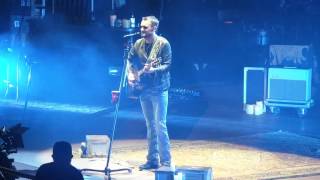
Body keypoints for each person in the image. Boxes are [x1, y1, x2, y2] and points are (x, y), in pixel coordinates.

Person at [126, 16, 173, 170]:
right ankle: (152, 160)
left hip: (159, 89)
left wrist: (153, 69)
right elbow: (129, 59)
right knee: (150, 126)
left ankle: (166, 161)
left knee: (160, 125)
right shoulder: (138, 43)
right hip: (144, 89)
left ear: (154, 28)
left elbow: (167, 65)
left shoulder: (163, 43)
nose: (141, 29)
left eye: (145, 27)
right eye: (141, 27)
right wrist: (131, 74)